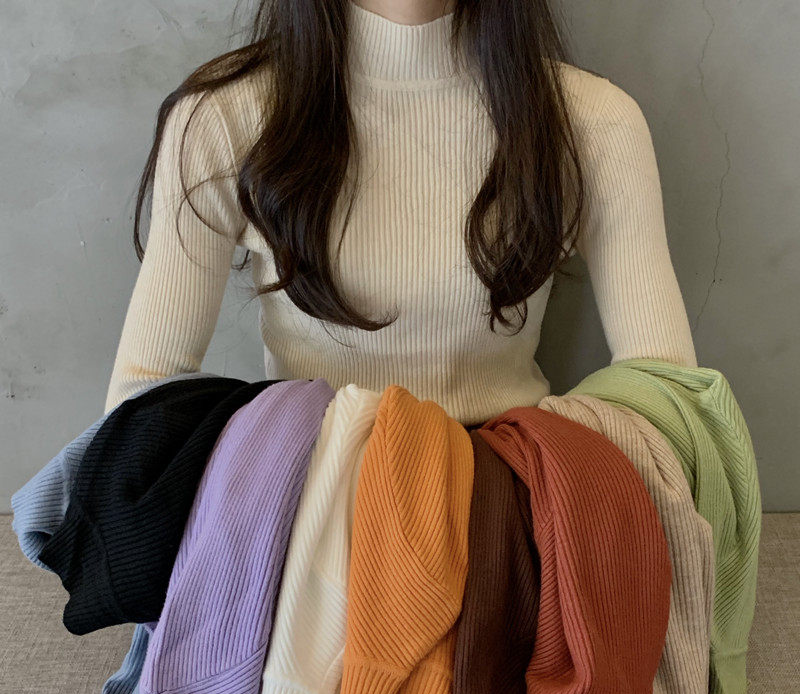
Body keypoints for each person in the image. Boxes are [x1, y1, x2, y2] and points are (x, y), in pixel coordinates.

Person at [103, 0, 697, 425]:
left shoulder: (592, 124)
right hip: (310, 507)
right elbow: (140, 401)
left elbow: (668, 397)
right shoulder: (225, 118)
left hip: (508, 507)